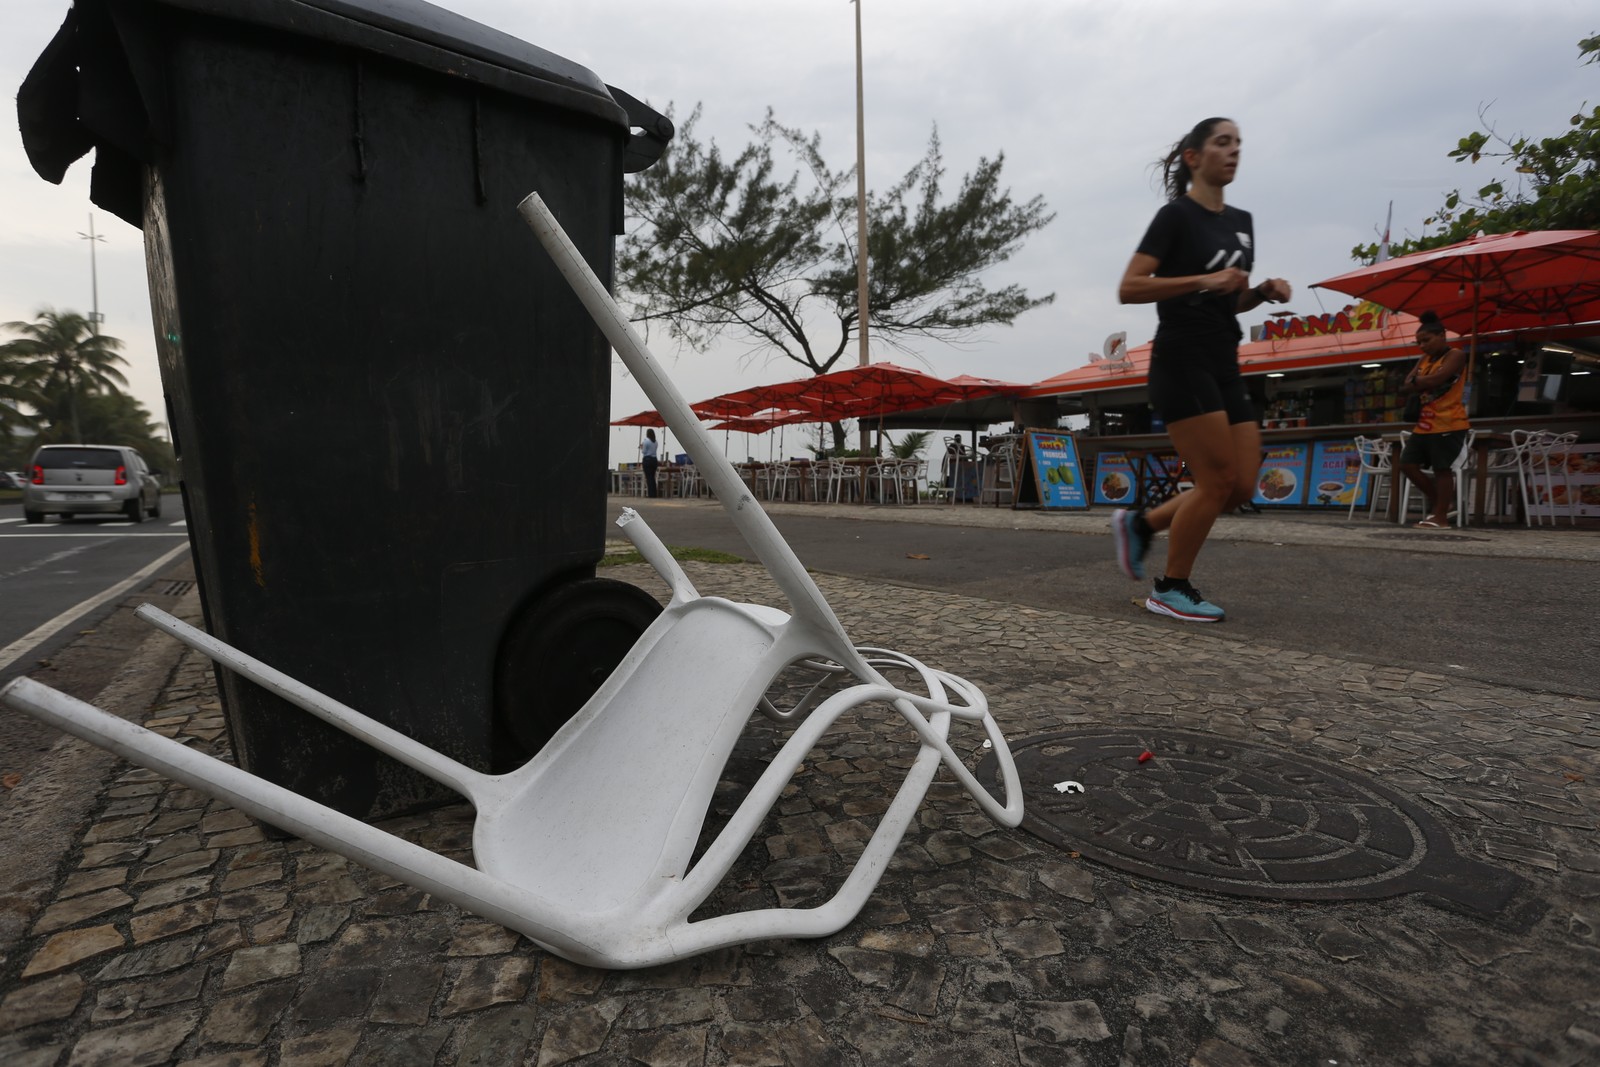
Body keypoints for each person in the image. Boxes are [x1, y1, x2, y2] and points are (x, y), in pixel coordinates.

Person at [1110, 117, 1291, 623]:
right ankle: (1170, 587)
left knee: (1239, 487)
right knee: (1214, 480)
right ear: (1194, 156)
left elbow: (1225, 304)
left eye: (1238, 144)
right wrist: (1205, 279)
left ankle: (1142, 526)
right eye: (1222, 142)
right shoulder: (1176, 217)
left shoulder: (1242, 221)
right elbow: (1130, 286)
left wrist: (1259, 293)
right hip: (1182, 358)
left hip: (1223, 359)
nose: (1233, 151)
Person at [1397, 311, 1469, 528]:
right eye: (1419, 342)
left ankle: (1441, 517)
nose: (1423, 346)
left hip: (1449, 420)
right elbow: (1406, 383)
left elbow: (1438, 378)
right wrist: (1421, 381)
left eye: (1426, 340)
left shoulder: (1456, 355)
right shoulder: (1424, 359)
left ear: (1442, 336)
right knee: (1407, 463)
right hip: (1425, 422)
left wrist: (1419, 381)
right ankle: (1440, 502)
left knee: (1442, 468)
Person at [641, 428, 660, 498]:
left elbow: (644, 451)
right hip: (654, 459)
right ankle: (654, 493)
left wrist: (641, 447)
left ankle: (650, 494)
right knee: (652, 477)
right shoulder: (655, 442)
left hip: (647, 459)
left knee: (649, 478)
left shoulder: (646, 441)